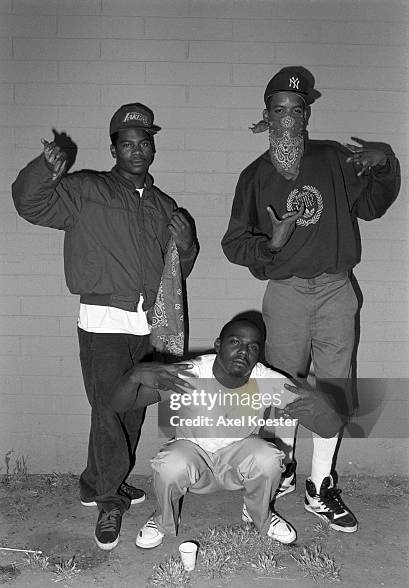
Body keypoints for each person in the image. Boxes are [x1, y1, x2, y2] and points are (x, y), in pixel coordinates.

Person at [12, 102, 199, 551]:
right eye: (127, 143)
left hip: (148, 322)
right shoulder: (86, 189)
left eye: (144, 141)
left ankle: (97, 481)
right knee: (108, 409)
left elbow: (174, 271)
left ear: (153, 147)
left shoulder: (163, 205)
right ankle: (108, 498)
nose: (137, 150)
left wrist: (188, 246)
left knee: (133, 407)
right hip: (103, 320)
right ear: (113, 148)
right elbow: (29, 203)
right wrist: (45, 169)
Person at [221, 67, 401, 533]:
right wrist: (273, 246)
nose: (287, 119)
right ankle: (278, 472)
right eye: (278, 110)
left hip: (336, 286)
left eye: (296, 110)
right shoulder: (254, 177)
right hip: (286, 292)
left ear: (306, 115)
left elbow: (373, 205)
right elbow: (235, 243)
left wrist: (384, 166)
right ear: (266, 116)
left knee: (334, 389)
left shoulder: (334, 159)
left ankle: (320, 485)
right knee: (281, 387)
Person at [122, 317, 344, 550]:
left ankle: (259, 515)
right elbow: (119, 404)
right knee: (170, 462)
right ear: (218, 345)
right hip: (194, 463)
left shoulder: (266, 380)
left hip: (236, 466)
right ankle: (162, 519)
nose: (243, 352)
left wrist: (326, 405)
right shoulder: (191, 373)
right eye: (235, 342)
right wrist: (134, 375)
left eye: (253, 347)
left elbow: (328, 429)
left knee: (268, 457)